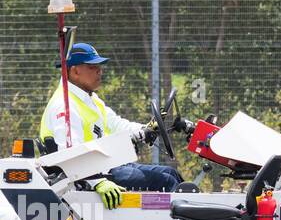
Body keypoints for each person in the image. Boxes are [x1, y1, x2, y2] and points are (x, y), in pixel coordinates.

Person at [38, 42, 183, 208]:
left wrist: (145, 129)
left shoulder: (90, 99)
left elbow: (116, 124)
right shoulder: (65, 106)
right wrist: (97, 182)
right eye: (92, 66)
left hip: (104, 168)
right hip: (87, 178)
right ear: (75, 70)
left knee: (170, 173)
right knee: (165, 181)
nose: (100, 70)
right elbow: (69, 154)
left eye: (99, 66)